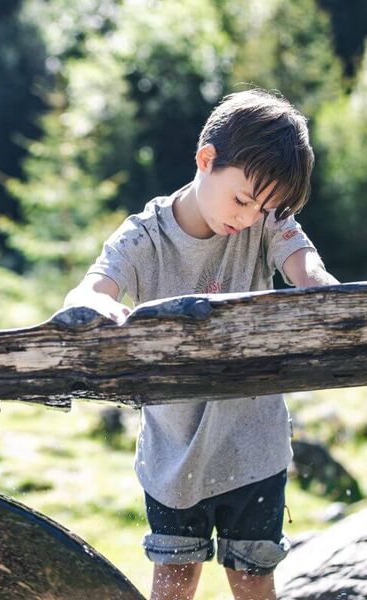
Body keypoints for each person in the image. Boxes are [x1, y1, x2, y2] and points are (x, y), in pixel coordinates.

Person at [62, 89, 339, 600]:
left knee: (254, 579)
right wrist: (99, 306)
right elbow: (93, 286)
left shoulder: (268, 221)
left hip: (254, 440)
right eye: (242, 200)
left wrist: (319, 290)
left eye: (265, 207)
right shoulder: (144, 237)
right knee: (173, 582)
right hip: (173, 448)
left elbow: (307, 268)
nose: (250, 217)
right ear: (206, 160)